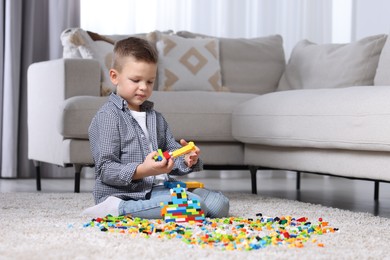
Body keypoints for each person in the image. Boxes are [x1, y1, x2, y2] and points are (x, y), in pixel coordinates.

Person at [82, 37, 229, 219]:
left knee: (219, 205)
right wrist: (144, 170)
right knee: (194, 206)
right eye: (136, 80)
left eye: (150, 82)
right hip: (128, 193)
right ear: (115, 77)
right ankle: (115, 208)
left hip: (160, 188)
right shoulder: (108, 117)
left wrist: (185, 158)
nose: (143, 87)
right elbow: (106, 169)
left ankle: (160, 206)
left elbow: (170, 153)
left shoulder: (155, 118)